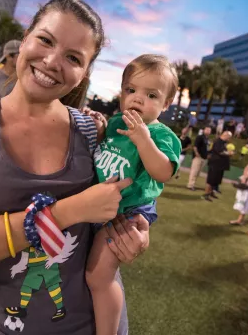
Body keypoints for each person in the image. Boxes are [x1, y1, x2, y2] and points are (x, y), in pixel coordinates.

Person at [0, 0, 151, 334]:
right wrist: (64, 214)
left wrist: (134, 234)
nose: (52, 61)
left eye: (73, 58)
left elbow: (126, 207)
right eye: (45, 40)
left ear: (83, 75)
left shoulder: (93, 133)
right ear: (24, 40)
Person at [85, 54, 181, 335]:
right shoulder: (116, 123)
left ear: (166, 104)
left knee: (98, 277)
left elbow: (163, 172)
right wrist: (101, 128)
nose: (138, 99)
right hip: (100, 205)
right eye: (131, 90)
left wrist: (143, 140)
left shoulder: (160, 134)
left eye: (151, 95)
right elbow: (102, 148)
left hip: (128, 212)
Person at [202, 131, 232, 201]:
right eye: (229, 137)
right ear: (226, 135)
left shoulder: (223, 143)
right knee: (211, 180)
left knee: (215, 180)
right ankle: (206, 194)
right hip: (215, 164)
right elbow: (220, 151)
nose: (229, 139)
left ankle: (211, 193)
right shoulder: (218, 141)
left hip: (220, 165)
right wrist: (228, 153)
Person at [187, 126, 211, 191]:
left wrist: (208, 154)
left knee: (198, 173)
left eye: (209, 130)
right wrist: (196, 153)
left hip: (204, 158)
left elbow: (207, 148)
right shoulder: (200, 137)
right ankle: (190, 185)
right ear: (204, 130)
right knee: (194, 171)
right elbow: (195, 146)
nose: (208, 131)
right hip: (198, 157)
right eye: (207, 130)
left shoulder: (207, 139)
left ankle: (193, 184)